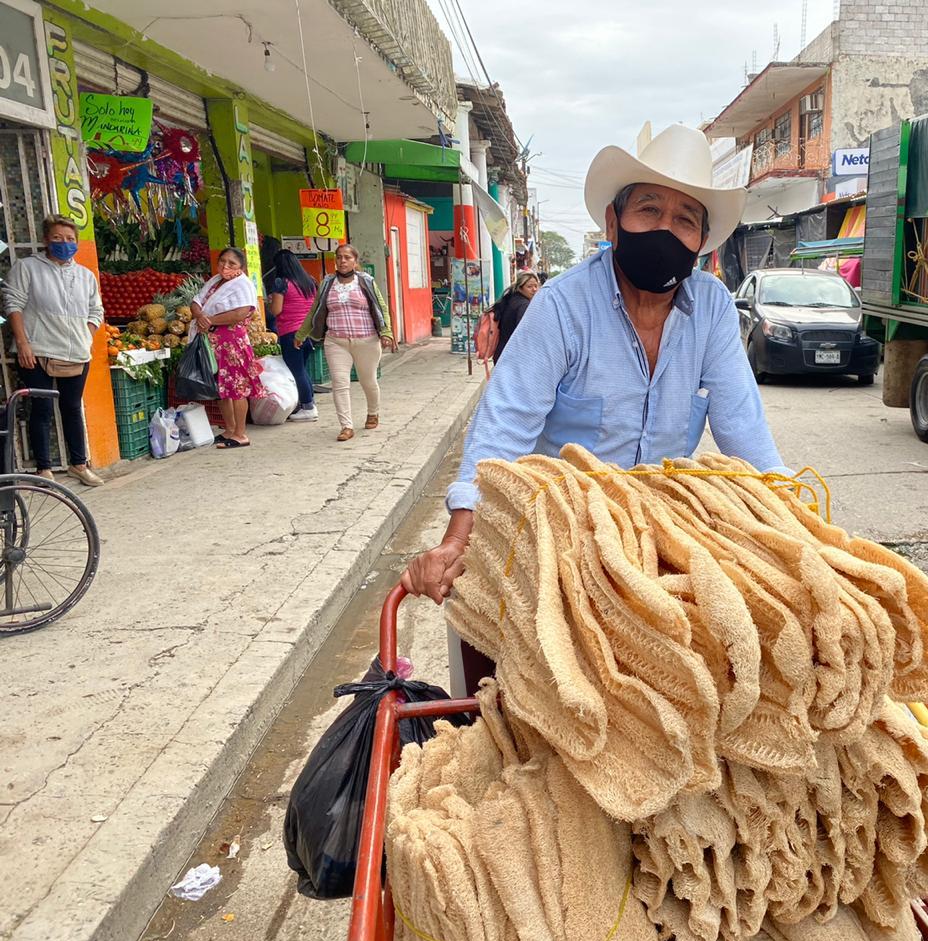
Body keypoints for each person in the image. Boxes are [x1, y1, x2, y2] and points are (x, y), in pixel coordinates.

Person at [402, 122, 785, 610]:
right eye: (649, 210)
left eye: (685, 220)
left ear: (701, 241)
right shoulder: (562, 306)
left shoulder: (710, 308)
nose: (666, 229)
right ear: (612, 222)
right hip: (564, 534)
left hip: (659, 534)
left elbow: (744, 427)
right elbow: (504, 426)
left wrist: (789, 515)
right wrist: (458, 537)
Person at [1, 215, 105, 486]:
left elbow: (96, 309)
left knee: (72, 407)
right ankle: (44, 469)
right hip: (38, 351)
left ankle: (78, 464)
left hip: (76, 352)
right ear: (46, 239)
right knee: (42, 409)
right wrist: (23, 343)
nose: (64, 243)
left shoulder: (85, 275)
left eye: (70, 239)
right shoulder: (28, 268)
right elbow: (13, 304)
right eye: (58, 238)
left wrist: (87, 335)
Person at [297, 243, 394, 442]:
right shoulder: (327, 283)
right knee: (340, 383)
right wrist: (301, 334)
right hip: (336, 341)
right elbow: (315, 309)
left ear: (355, 262)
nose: (342, 261)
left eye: (347, 258)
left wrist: (387, 332)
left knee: (368, 381)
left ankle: (373, 412)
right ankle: (346, 426)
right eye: (339, 257)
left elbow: (381, 306)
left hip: (366, 340)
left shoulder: (366, 281)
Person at [189, 247, 263, 449]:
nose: (225, 266)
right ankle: (229, 429)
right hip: (212, 341)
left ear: (241, 267)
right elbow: (196, 300)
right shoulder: (214, 281)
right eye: (223, 261)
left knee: (236, 387)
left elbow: (241, 312)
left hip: (232, 343)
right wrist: (200, 316)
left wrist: (210, 319)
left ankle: (241, 434)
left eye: (232, 263)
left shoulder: (243, 285)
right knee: (220, 387)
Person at [267, 249, 318, 421]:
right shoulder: (309, 281)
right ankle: (309, 403)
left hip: (291, 332)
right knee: (303, 369)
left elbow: (276, 310)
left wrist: (269, 302)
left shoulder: (281, 283)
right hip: (308, 332)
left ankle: (308, 406)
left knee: (297, 371)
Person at [492, 271, 540, 363]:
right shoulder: (523, 305)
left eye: (536, 286)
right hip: (513, 357)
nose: (534, 289)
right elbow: (524, 333)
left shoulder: (510, 299)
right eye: (529, 287)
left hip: (502, 353)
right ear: (520, 288)